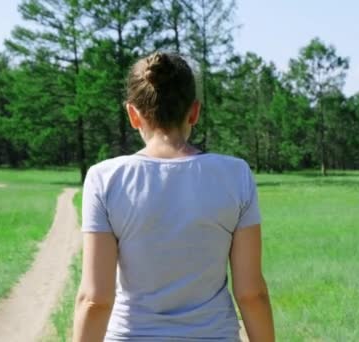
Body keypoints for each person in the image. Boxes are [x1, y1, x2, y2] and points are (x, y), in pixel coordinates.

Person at [72, 52, 274, 342]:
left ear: (132, 114)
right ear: (194, 112)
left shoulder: (105, 179)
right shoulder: (236, 175)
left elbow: (95, 300)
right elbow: (251, 294)